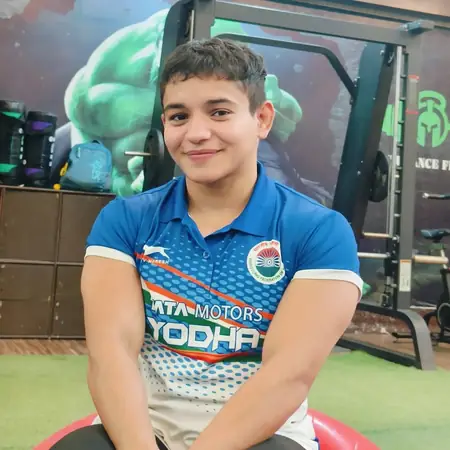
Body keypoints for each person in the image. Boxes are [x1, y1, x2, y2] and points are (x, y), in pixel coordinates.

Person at [52, 38, 362, 450]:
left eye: (219, 112)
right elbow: (112, 355)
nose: (196, 134)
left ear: (262, 119)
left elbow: (287, 375)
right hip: (146, 431)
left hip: (259, 438)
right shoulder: (125, 219)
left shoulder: (319, 231)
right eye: (178, 116)